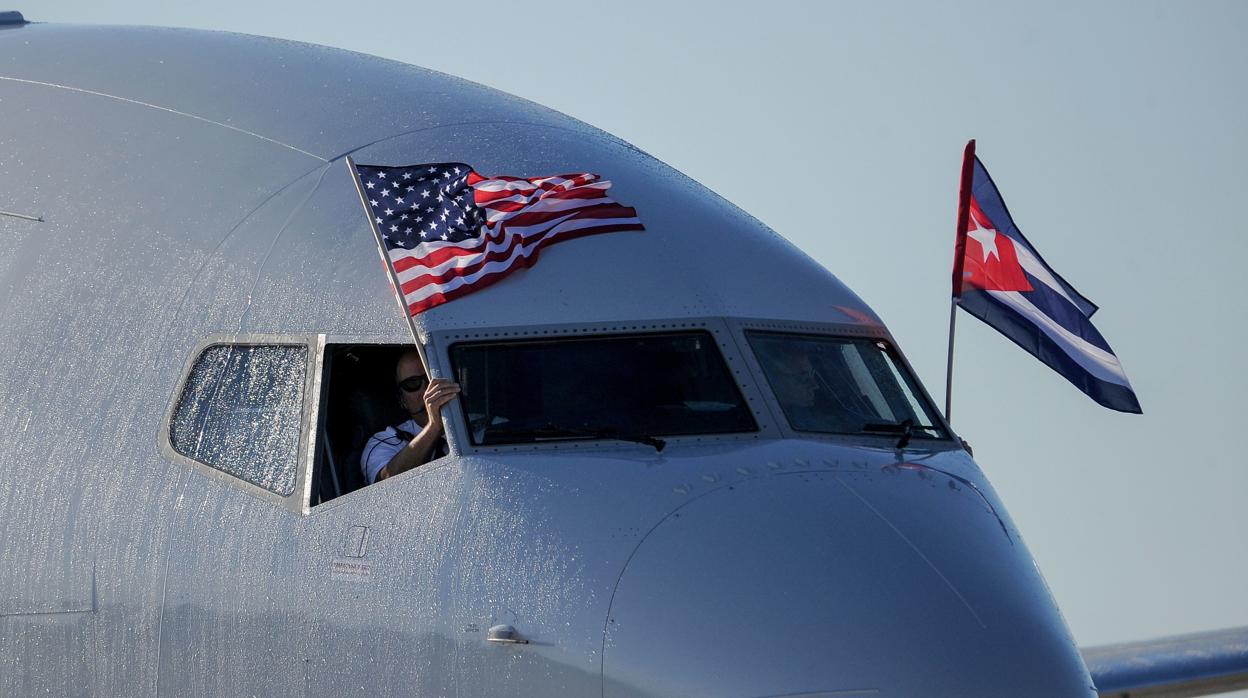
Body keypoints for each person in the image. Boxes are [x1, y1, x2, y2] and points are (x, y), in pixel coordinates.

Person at [361, 349, 461, 484]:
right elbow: (385, 484)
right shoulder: (385, 442)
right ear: (402, 400)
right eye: (412, 383)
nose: (427, 391)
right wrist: (434, 427)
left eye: (431, 379)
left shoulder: (487, 427)